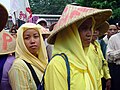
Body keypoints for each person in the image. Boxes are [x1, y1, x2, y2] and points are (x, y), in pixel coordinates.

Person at [44, 4, 112, 90]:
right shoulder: (58, 65)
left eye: (90, 28)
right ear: (70, 33)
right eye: (84, 28)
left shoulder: (87, 59)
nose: (89, 33)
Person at [8, 23, 48, 90]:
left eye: (35, 36)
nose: (32, 41)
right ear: (21, 41)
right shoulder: (19, 66)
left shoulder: (42, 60)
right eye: (27, 38)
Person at [88, 22, 111, 90]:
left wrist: (107, 77)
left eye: (97, 29)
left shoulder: (97, 44)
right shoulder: (82, 46)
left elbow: (103, 62)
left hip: (100, 78)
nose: (95, 32)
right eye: (92, 29)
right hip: (90, 79)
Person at [106, 23, 120, 90]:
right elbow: (108, 56)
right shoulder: (113, 39)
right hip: (117, 69)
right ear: (119, 27)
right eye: (110, 29)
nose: (112, 31)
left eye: (114, 29)